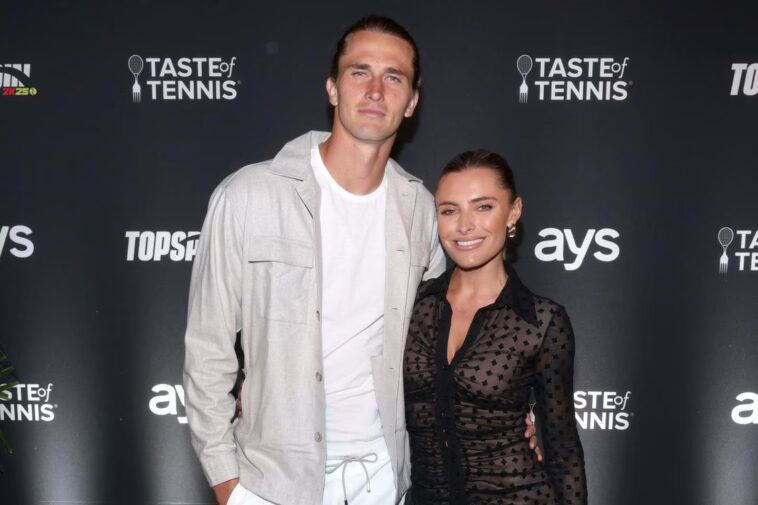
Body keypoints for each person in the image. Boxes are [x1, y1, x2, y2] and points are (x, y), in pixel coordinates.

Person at [183, 16, 540, 505]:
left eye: (393, 77)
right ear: (332, 88)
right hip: (272, 485)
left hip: (385, 480)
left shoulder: (420, 210)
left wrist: (512, 414)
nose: (375, 90)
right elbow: (207, 351)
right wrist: (228, 484)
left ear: (411, 101)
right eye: (359, 72)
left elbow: (452, 340)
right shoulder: (249, 196)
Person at [404, 150, 587, 504]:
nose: (464, 225)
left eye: (483, 207)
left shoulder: (541, 321)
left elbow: (563, 451)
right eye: (449, 210)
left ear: (513, 212)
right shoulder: (413, 305)